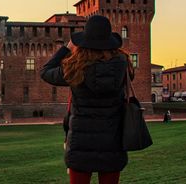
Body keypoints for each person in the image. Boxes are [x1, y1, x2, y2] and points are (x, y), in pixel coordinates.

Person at [40, 15, 134, 184]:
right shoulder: (123, 66)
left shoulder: (75, 68)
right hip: (112, 143)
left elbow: (46, 71)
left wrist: (66, 49)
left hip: (80, 144)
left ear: (84, 41)